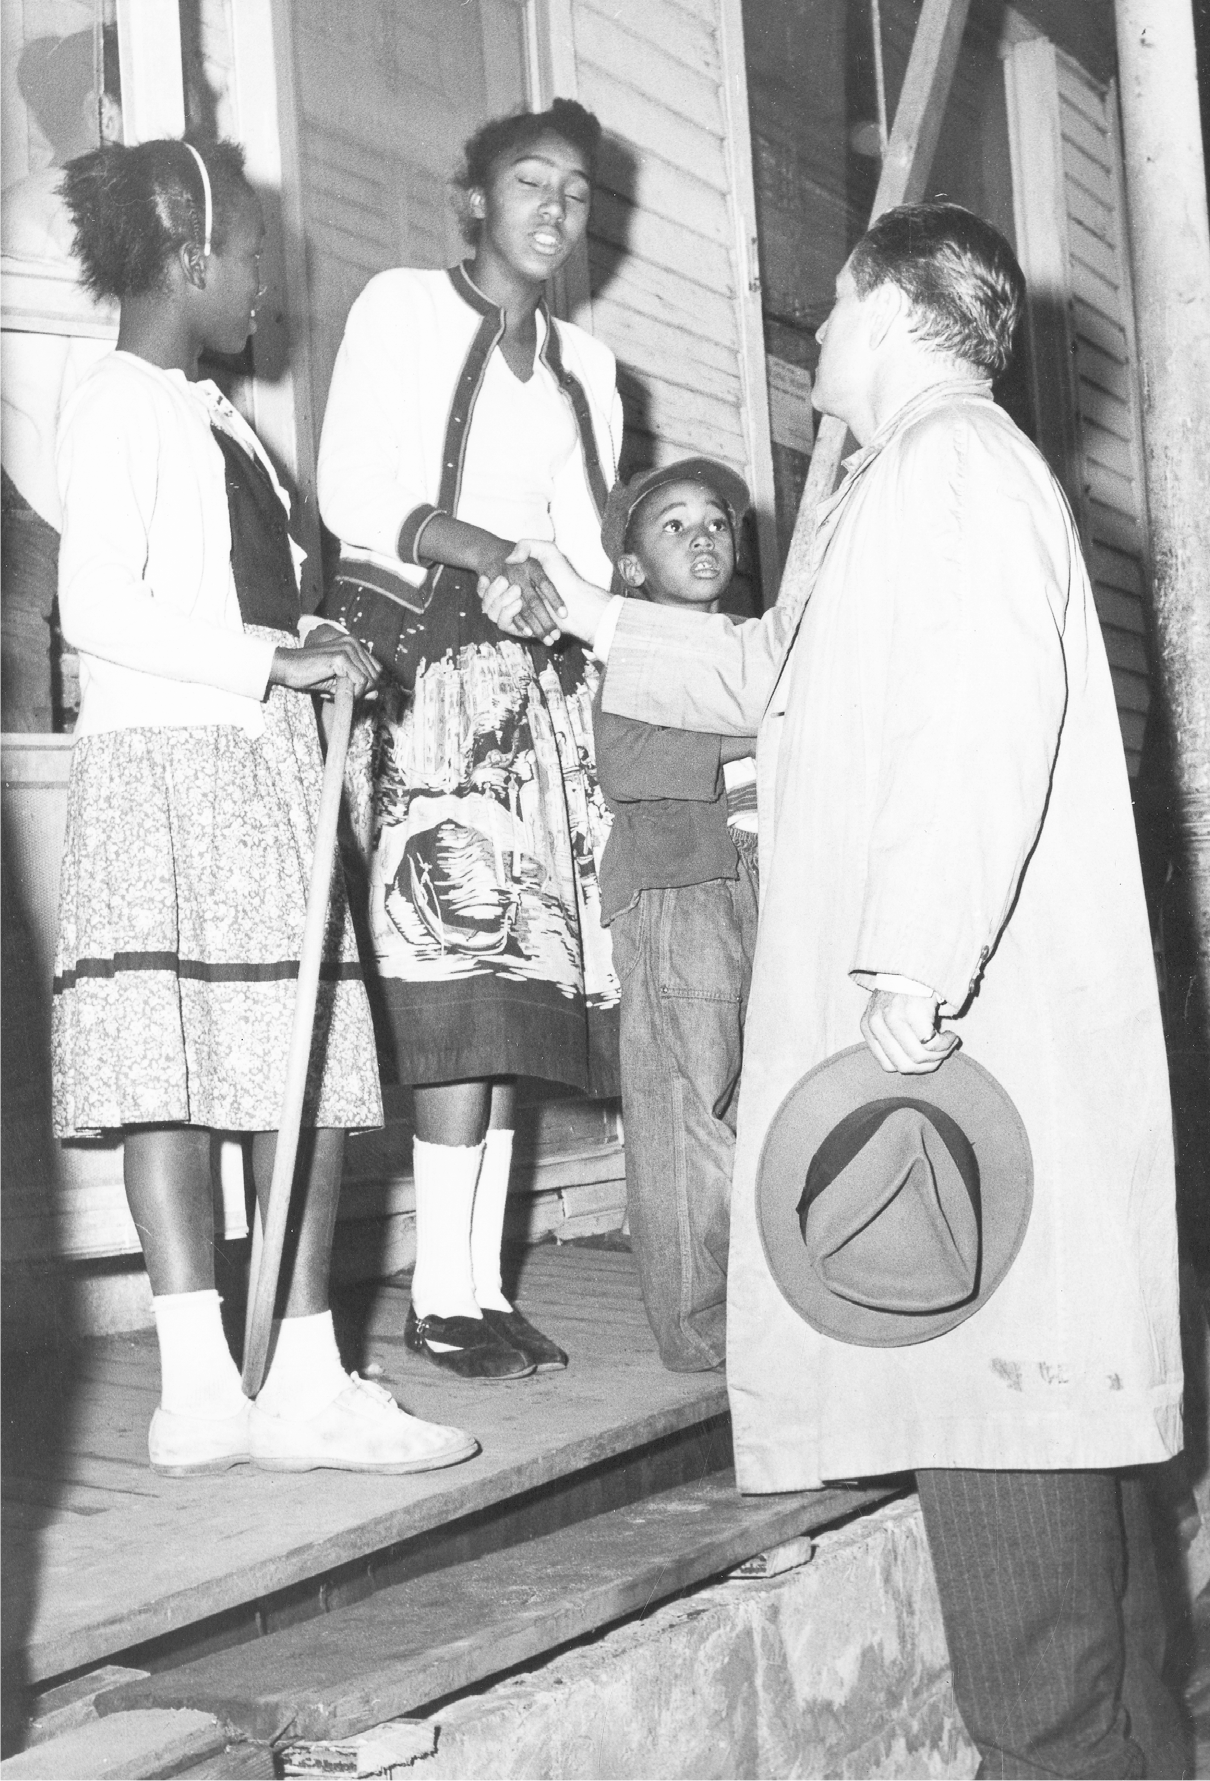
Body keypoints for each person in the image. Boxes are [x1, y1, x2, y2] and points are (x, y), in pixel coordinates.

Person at [485, 203, 1188, 1777]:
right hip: (962, 1095)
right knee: (1077, 1564)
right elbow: (766, 675)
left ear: (883, 308)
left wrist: (914, 962)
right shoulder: (905, 487)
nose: (811, 352)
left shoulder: (947, 470)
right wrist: (588, 610)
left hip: (951, 1087)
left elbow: (981, 721)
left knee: (1025, 1584)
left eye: (828, 315)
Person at [53, 134, 476, 1478]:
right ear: (186, 261)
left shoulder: (217, 416)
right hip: (171, 763)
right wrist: (265, 659)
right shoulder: (116, 399)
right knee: (187, 1074)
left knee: (278, 1067)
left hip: (241, 759)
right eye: (246, 261)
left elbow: (216, 587)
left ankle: (283, 1379)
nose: (262, 293)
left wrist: (308, 634)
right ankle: (218, 1389)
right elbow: (97, 609)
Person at [316, 99, 621, 1382]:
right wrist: (485, 549)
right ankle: (436, 1298)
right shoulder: (401, 307)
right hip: (424, 677)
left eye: (574, 192)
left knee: (515, 993)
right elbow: (349, 493)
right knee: (454, 982)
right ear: (474, 202)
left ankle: (479, 1289)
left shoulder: (586, 370)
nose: (553, 209)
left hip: (527, 701)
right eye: (528, 184)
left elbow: (593, 555)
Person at [592, 460, 759, 1372]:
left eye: (717, 525)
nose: (702, 537)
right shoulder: (638, 648)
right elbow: (629, 765)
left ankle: (765, 1302)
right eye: (673, 526)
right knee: (687, 1099)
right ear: (628, 569)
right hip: (674, 890)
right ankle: (700, 1329)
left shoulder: (747, 643)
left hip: (753, 881)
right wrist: (756, 724)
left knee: (752, 1094)